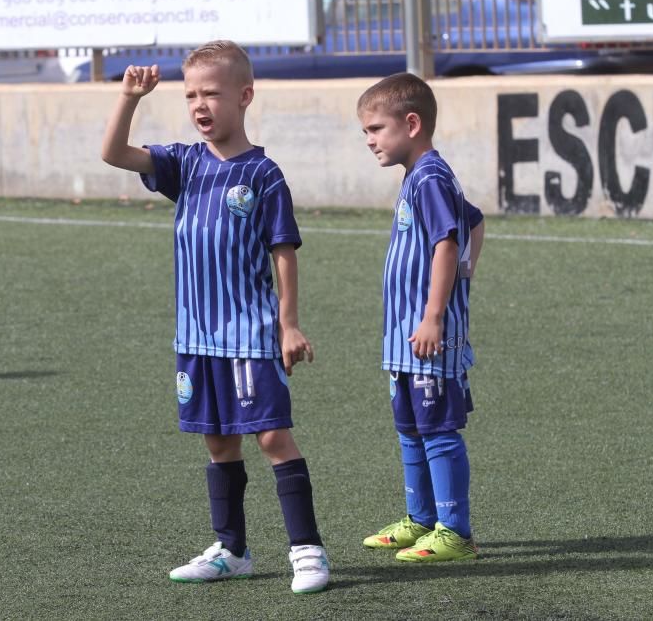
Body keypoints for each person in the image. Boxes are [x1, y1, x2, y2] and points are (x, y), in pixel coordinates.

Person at [101, 41, 329, 594]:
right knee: (218, 442)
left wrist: (288, 322)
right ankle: (232, 548)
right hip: (196, 337)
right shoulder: (184, 163)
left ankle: (308, 551)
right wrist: (129, 98)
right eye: (191, 95)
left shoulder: (264, 174)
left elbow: (284, 251)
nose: (200, 105)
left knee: (273, 437)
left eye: (212, 94)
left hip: (250, 334)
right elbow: (113, 153)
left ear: (245, 96)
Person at [356, 72, 485, 562]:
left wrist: (435, 314)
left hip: (429, 335)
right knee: (409, 427)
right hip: (406, 339)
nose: (370, 141)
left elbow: (448, 242)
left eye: (375, 129)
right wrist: (469, 270)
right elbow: (474, 220)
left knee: (437, 429)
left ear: (411, 124)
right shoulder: (419, 175)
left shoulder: (430, 176)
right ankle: (422, 519)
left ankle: (455, 531)